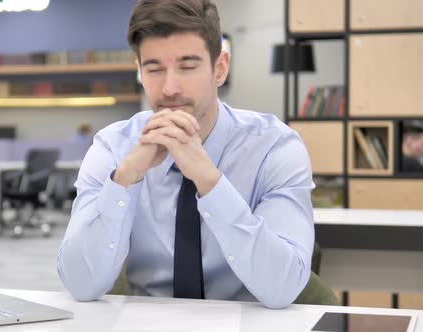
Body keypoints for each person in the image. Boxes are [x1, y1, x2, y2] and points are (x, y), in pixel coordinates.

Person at [57, 0, 315, 309]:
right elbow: (81, 285)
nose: (169, 88)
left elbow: (282, 287)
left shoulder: (275, 148)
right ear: (139, 71)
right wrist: (124, 180)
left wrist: (210, 182)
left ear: (219, 69)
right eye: (154, 69)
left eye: (187, 66)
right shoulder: (113, 148)